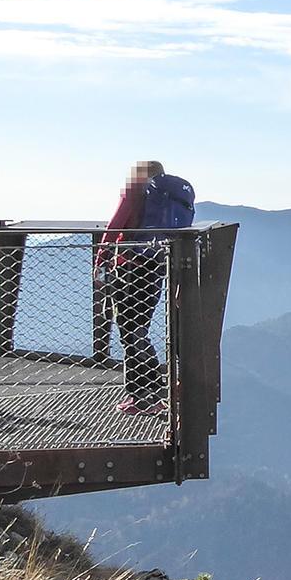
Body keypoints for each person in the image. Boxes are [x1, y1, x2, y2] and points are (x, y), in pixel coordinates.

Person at [95, 161, 169, 415]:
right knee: (140, 330)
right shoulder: (164, 199)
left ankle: (139, 397)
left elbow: (114, 226)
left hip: (129, 268)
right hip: (155, 268)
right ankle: (154, 394)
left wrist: (101, 260)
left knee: (129, 332)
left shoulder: (133, 192)